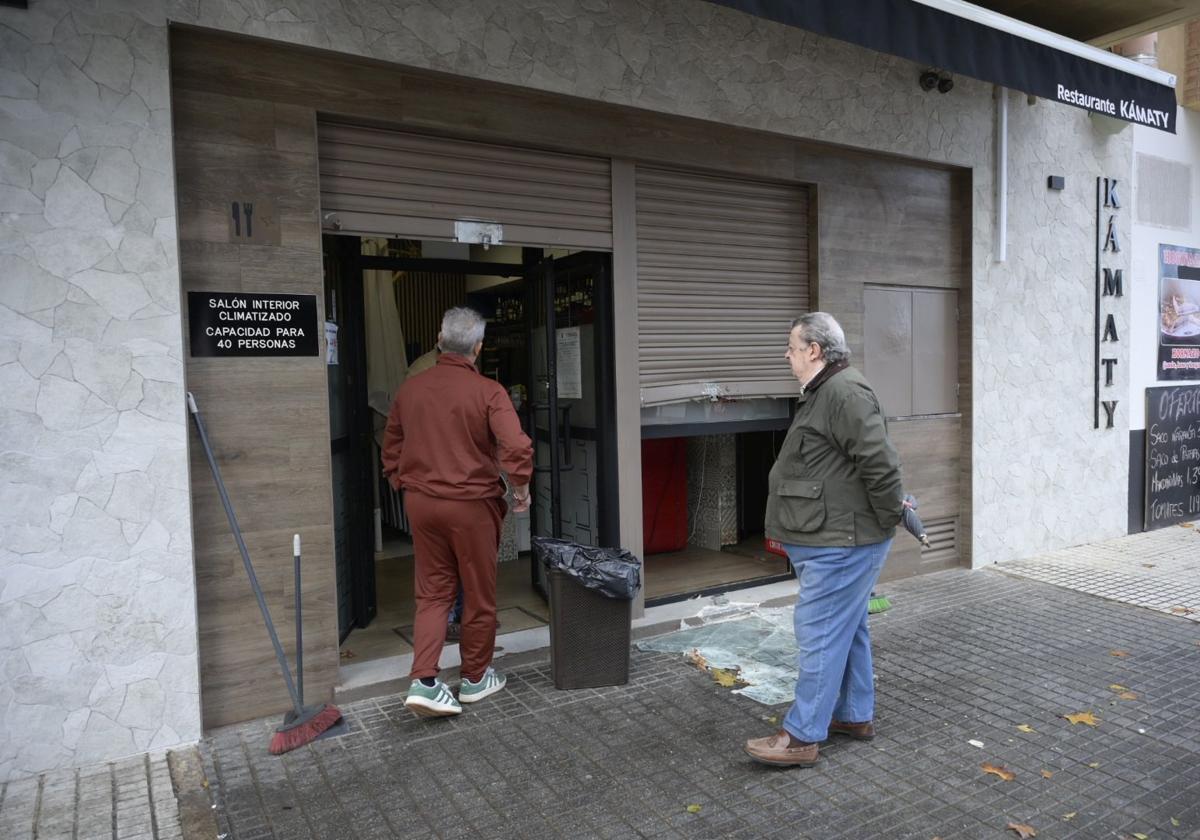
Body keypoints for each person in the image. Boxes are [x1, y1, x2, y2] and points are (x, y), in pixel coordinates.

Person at [744, 312, 904, 767]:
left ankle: (801, 736)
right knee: (847, 629)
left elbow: (881, 465)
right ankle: (853, 715)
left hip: (843, 543)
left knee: (818, 633)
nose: (787, 354)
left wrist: (887, 520)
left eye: (792, 347)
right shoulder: (826, 391)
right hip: (836, 538)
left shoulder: (843, 392)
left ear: (814, 350)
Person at [382, 307, 534, 717]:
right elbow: (516, 447)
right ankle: (475, 677)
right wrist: (520, 487)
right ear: (479, 348)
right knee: (478, 593)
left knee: (432, 593)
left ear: (439, 338)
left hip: (422, 504)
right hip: (471, 506)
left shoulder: (411, 389)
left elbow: (391, 446)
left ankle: (425, 681)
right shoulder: (489, 392)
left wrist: (404, 482)